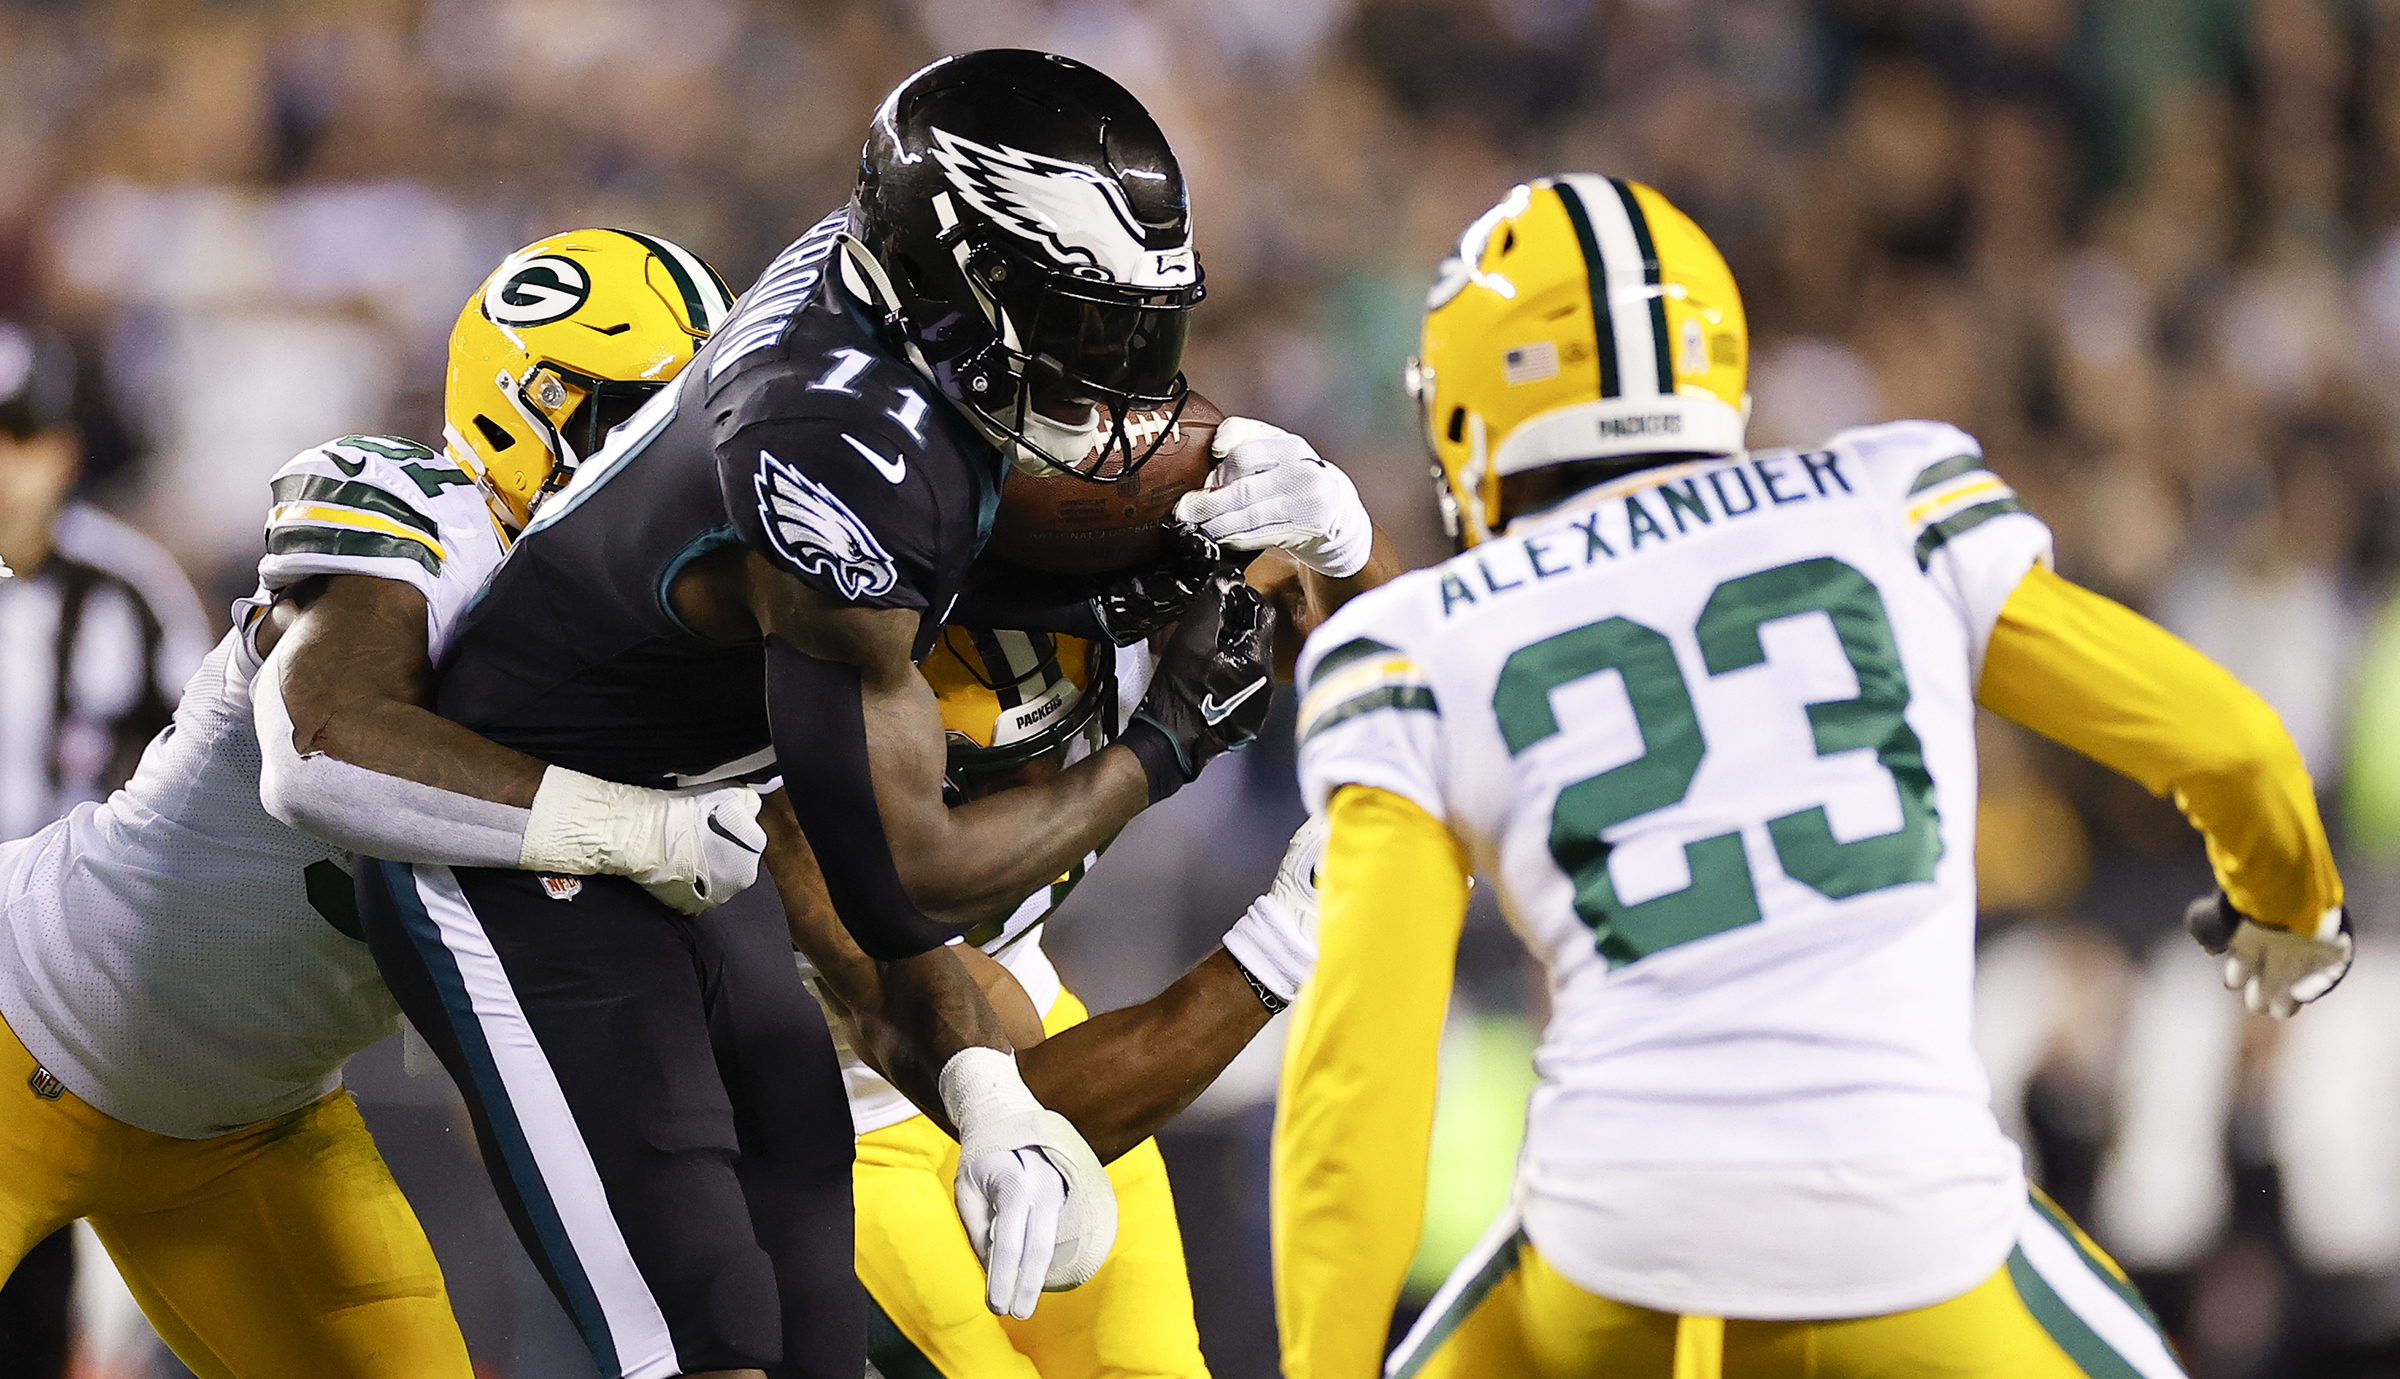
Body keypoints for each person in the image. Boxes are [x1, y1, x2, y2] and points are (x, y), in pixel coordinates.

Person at [255, 50, 1327, 1379]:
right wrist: (1168, 752)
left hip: (745, 892)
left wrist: (1269, 493)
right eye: (626, 412)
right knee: (713, 1334)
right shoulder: (797, 488)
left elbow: (903, 940)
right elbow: (892, 882)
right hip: (538, 884)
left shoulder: (897, 375)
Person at [1270, 176, 2353, 1379]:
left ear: (1470, 411)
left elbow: (1355, 1082)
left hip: (1615, 1248)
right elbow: (2233, 745)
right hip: (1916, 1230)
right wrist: (2290, 909)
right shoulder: (1889, 497)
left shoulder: (1418, 636)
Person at [0, 229, 745, 1379]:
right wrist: (636, 830)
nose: (675, 469)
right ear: (521, 410)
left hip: (248, 1131)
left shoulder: (660, 634)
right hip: (24, 1022)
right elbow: (323, 750)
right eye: (640, 424)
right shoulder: (422, 515)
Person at [0, 320, 209, 1378]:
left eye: (18, 435)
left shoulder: (125, 590)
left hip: (68, 989)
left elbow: (209, 783)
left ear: (64, 450)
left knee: (65, 1314)